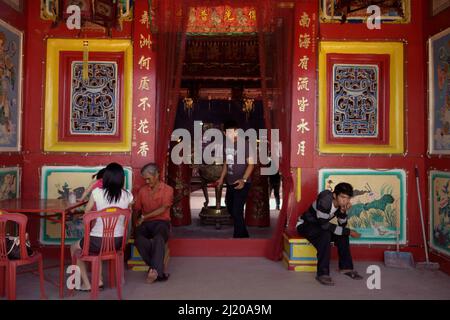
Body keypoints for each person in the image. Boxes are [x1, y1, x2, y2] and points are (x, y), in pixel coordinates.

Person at [70, 162, 133, 292]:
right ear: (121, 179)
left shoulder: (97, 193)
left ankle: (87, 284)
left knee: (74, 247)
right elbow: (130, 210)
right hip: (118, 242)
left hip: (97, 242)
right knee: (95, 249)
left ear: (106, 177)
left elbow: (87, 214)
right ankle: (98, 281)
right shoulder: (128, 195)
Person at [296, 182, 363, 286]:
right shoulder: (324, 200)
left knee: (342, 235)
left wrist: (343, 212)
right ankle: (322, 274)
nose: (345, 200)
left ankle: (346, 268)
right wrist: (349, 232)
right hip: (305, 225)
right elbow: (324, 226)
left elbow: (342, 224)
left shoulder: (341, 204)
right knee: (325, 234)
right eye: (342, 197)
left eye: (348, 198)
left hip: (320, 226)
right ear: (335, 195)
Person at [134, 163, 173, 284]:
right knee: (139, 239)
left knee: (159, 238)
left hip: (162, 222)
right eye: (144, 179)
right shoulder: (142, 191)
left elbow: (163, 209)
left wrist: (144, 217)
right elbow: (136, 209)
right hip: (146, 224)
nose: (146, 181)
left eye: (148, 178)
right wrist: (135, 222)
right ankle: (157, 272)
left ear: (157, 175)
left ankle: (154, 270)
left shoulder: (168, 189)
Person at [216, 120, 255, 238]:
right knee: (230, 206)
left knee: (237, 211)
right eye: (229, 133)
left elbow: (251, 164)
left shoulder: (245, 144)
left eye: (235, 132)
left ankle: (238, 239)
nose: (233, 134)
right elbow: (226, 163)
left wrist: (243, 179)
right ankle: (244, 235)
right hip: (230, 182)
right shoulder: (226, 145)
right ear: (224, 133)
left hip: (242, 183)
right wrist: (221, 178)